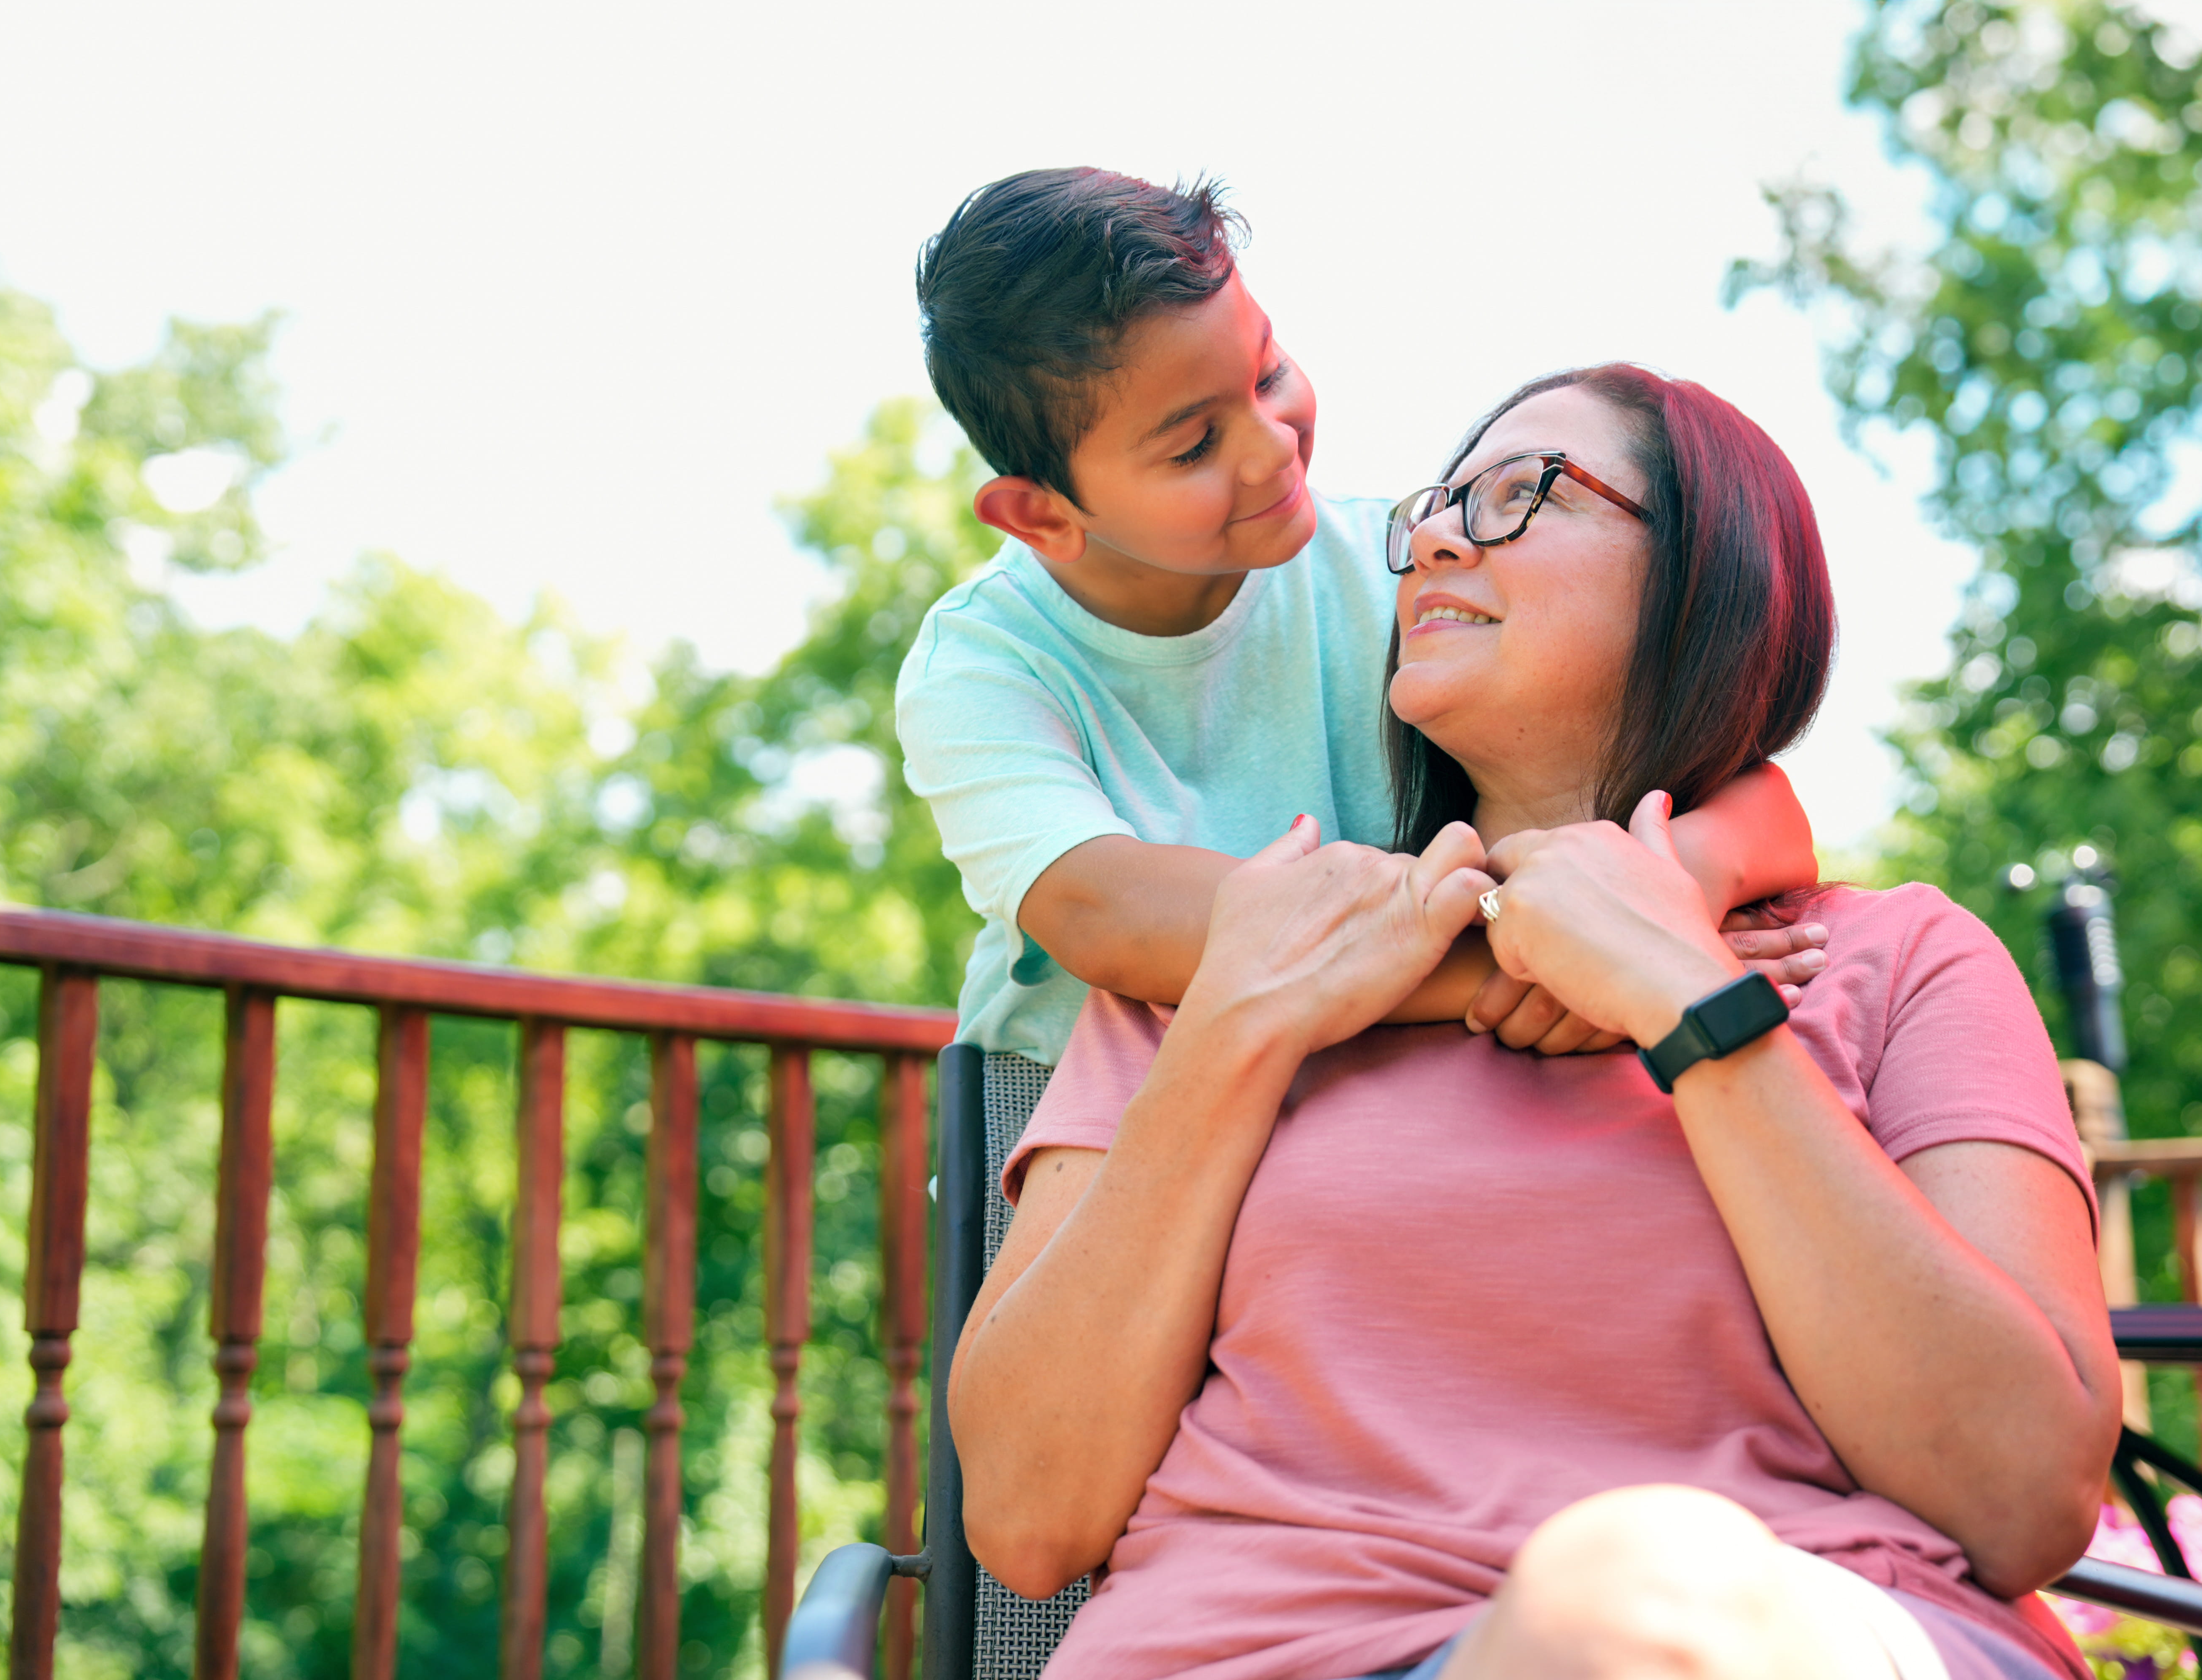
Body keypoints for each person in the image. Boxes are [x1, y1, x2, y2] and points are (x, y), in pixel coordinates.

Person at [949, 365, 2122, 1680]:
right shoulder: (1231, 969)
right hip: (1250, 1650)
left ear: (1707, 579)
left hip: (1771, 1632)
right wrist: (1240, 1032)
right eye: (1439, 506)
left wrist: (1691, 1010)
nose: (1441, 535)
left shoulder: (1895, 962)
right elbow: (1028, 1518)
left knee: (1631, 1606)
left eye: (1525, 495)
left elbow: (2024, 1497)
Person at [894, 169, 1827, 1075]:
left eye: (1267, 375)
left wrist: (1674, 890)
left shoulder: (1413, 568)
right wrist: (1546, 957)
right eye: (1194, 445)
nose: (1273, 447)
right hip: (1083, 1098)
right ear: (1044, 516)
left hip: (1351, 1073)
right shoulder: (985, 664)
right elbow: (1112, 913)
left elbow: (1759, 802)